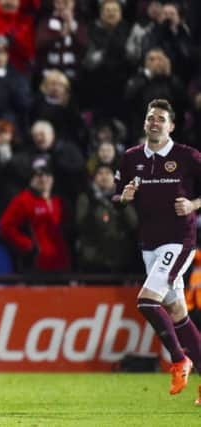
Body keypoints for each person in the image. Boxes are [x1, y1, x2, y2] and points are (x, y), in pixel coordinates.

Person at [114, 99, 201, 405]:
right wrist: (122, 198)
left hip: (179, 239)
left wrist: (193, 204)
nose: (155, 122)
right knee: (177, 312)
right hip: (148, 244)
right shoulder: (131, 158)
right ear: (145, 122)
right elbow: (117, 193)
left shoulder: (187, 157)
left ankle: (179, 359)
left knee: (146, 301)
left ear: (171, 126)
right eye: (151, 117)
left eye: (161, 119)